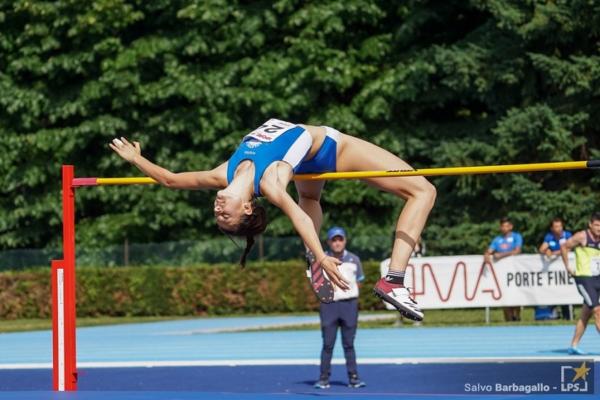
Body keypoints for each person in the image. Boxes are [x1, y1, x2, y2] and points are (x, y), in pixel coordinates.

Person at [110, 118, 436, 320]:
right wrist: (322, 256)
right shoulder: (271, 182)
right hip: (333, 148)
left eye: (217, 214)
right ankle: (393, 280)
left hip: (306, 161)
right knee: (423, 191)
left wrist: (137, 159)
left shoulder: (223, 173)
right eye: (226, 215)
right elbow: (298, 217)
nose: (218, 209)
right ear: (248, 209)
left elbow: (169, 179)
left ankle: (313, 262)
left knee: (310, 197)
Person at [314, 227, 366, 389]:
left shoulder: (354, 259)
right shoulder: (321, 260)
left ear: (345, 241)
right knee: (328, 344)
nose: (337, 243)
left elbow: (359, 281)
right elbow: (315, 282)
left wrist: (349, 294)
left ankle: (354, 378)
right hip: (329, 306)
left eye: (340, 239)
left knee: (349, 343)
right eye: (334, 240)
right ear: (329, 242)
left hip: (349, 306)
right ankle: (323, 379)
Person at [560, 212, 600, 355]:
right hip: (584, 279)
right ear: (590, 224)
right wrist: (568, 267)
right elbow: (564, 247)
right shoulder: (582, 236)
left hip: (598, 279)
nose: (599, 228)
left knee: (585, 314)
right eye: (596, 225)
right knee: (597, 311)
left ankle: (574, 345)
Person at [484, 217, 523, 322]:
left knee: (515, 295)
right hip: (501, 274)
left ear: (511, 226)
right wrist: (487, 254)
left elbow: (517, 251)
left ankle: (517, 317)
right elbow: (489, 250)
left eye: (507, 225)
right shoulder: (497, 240)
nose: (504, 228)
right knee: (505, 296)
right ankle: (509, 320)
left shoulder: (516, 237)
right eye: (502, 226)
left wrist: (502, 255)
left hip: (514, 272)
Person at [537, 217, 572, 320]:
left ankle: (568, 314)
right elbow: (542, 249)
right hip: (554, 273)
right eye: (556, 226)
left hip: (566, 269)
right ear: (552, 228)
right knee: (554, 292)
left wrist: (553, 253)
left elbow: (570, 248)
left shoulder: (568, 235)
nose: (559, 228)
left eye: (560, 226)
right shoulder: (549, 237)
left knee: (567, 292)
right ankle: (553, 313)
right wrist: (546, 250)